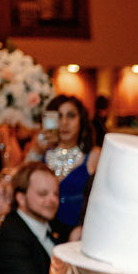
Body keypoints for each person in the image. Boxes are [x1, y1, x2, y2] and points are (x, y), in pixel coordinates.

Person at [26, 95, 101, 230]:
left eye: (71, 116)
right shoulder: (42, 153)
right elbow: (20, 183)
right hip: (42, 234)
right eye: (59, 117)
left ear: (81, 120)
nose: (64, 123)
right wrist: (36, 150)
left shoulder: (93, 155)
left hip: (78, 235)